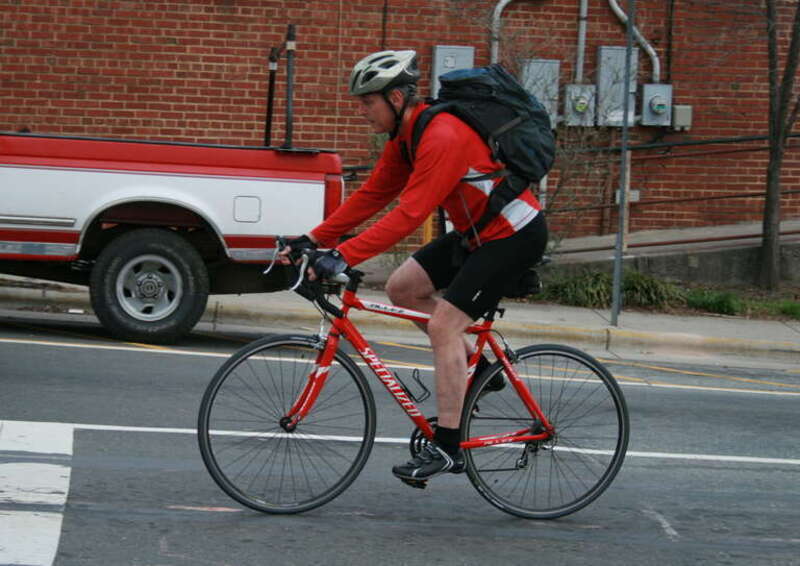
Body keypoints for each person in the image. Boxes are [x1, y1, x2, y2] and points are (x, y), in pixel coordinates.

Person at [280, 49, 548, 483]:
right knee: (402, 287)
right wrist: (312, 240)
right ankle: (475, 369)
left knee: (445, 326)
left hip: (512, 236)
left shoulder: (442, 136)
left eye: (368, 101)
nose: (362, 110)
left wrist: (343, 256)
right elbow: (372, 195)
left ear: (398, 98)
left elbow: (409, 213)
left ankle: (447, 447)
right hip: (475, 235)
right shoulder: (406, 138)